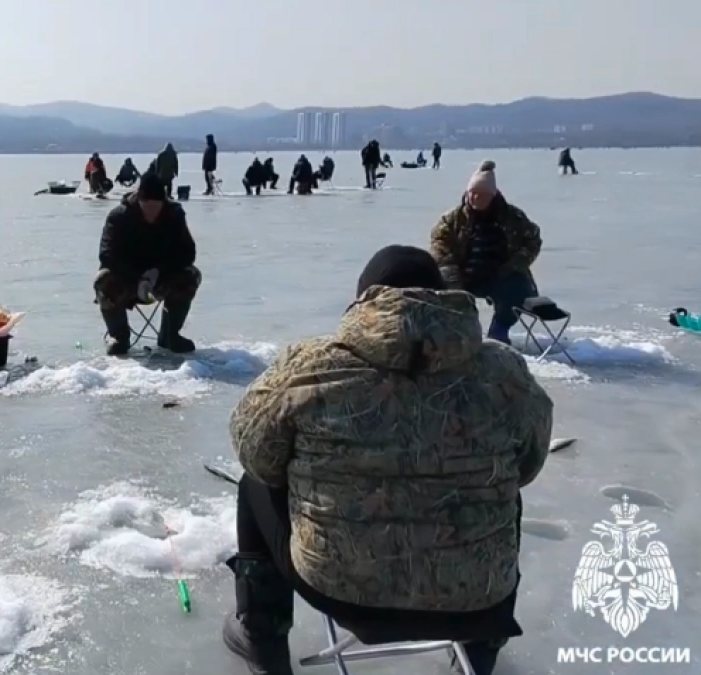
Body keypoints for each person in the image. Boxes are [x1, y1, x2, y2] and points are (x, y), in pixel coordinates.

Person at [223, 244, 553, 675]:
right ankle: (481, 648)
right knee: (502, 485)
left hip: (341, 588)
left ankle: (263, 638)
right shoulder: (504, 370)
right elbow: (528, 463)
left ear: (364, 300)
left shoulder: (308, 366)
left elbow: (256, 453)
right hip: (476, 596)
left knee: (254, 485)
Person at [430, 160, 543, 344]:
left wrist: (516, 264)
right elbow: (439, 248)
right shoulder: (452, 220)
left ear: (492, 195)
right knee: (442, 293)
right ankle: (458, 334)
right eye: (472, 193)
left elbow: (533, 240)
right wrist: (452, 279)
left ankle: (499, 331)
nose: (475, 198)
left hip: (501, 274)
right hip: (463, 276)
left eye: (481, 195)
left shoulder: (512, 217)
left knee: (518, 291)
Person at [94, 174, 200, 356]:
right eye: (147, 207)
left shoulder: (174, 214)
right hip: (127, 280)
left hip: (161, 279)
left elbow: (187, 252)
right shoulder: (119, 217)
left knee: (191, 275)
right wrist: (137, 278)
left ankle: (170, 335)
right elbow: (107, 255)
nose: (152, 213)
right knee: (103, 279)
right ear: (138, 201)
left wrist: (157, 272)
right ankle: (119, 335)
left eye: (156, 207)